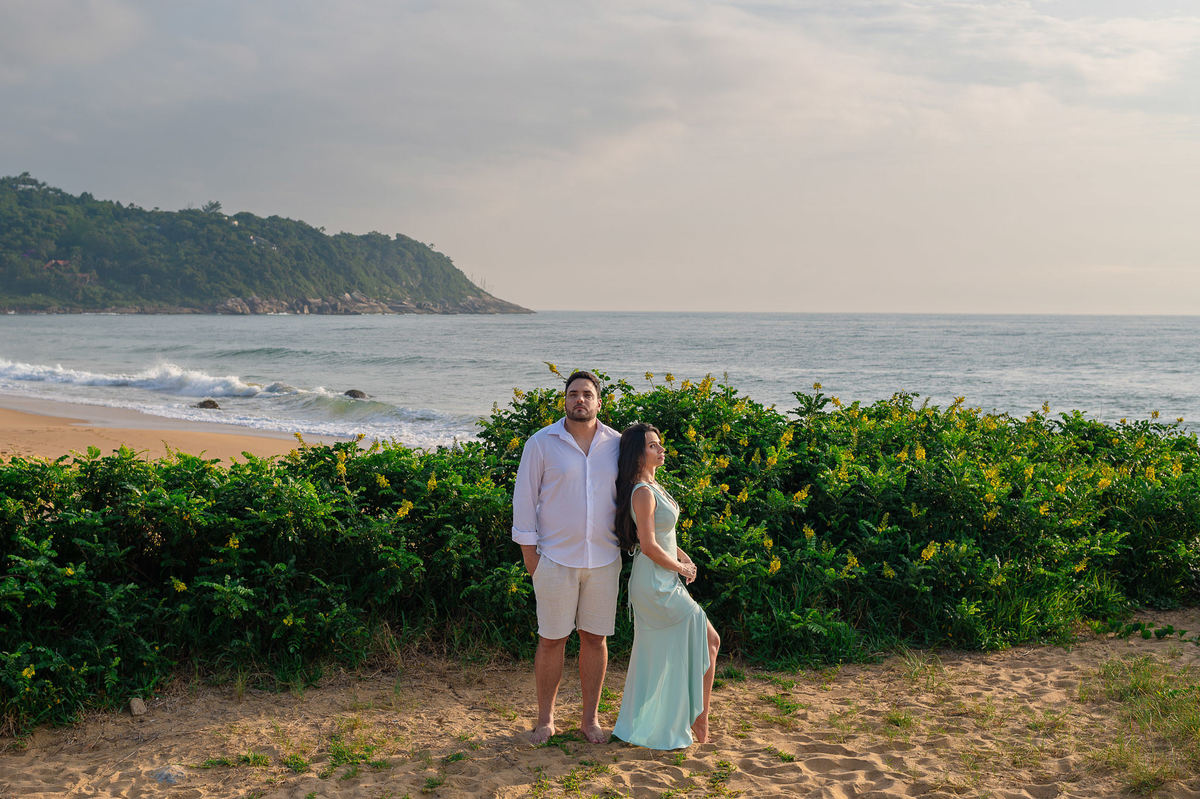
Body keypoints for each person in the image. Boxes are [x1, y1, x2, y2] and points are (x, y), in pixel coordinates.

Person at [512, 370, 622, 745]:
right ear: (564, 400)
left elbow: (636, 494)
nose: (580, 400)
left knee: (595, 639)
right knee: (551, 640)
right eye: (573, 393)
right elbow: (524, 500)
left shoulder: (618, 444)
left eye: (587, 394)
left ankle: (589, 720)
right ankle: (545, 720)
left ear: (599, 402)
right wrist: (532, 559)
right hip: (554, 560)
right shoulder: (541, 442)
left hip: (605, 560)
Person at [611, 423, 721, 749]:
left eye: (660, 444)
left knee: (662, 652)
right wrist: (680, 566)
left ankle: (658, 720)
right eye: (652, 446)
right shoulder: (642, 492)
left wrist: (683, 560)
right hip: (654, 583)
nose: (661, 450)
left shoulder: (654, 485)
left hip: (663, 577)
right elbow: (648, 546)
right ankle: (699, 717)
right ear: (637, 454)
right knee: (709, 641)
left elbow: (664, 537)